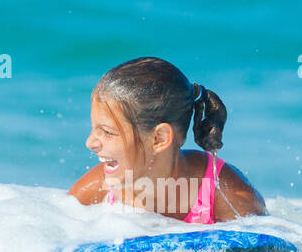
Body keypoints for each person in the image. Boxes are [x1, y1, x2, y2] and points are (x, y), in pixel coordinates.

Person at [69, 57, 264, 222]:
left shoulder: (228, 196)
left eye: (108, 132)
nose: (90, 142)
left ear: (159, 138)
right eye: (94, 129)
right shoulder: (96, 192)